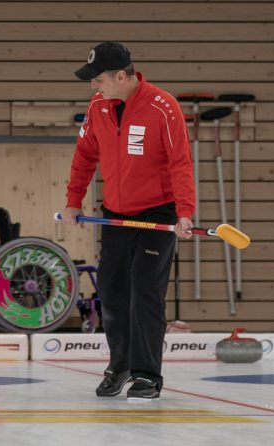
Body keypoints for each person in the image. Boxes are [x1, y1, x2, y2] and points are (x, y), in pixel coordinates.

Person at [60, 42, 195, 401]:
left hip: (158, 212)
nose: (93, 86)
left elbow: (181, 162)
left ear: (122, 76)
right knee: (113, 291)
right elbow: (85, 156)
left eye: (99, 79)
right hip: (116, 215)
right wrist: (73, 200)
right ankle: (119, 366)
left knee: (145, 293)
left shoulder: (163, 107)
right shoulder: (98, 106)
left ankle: (147, 374)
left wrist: (185, 212)